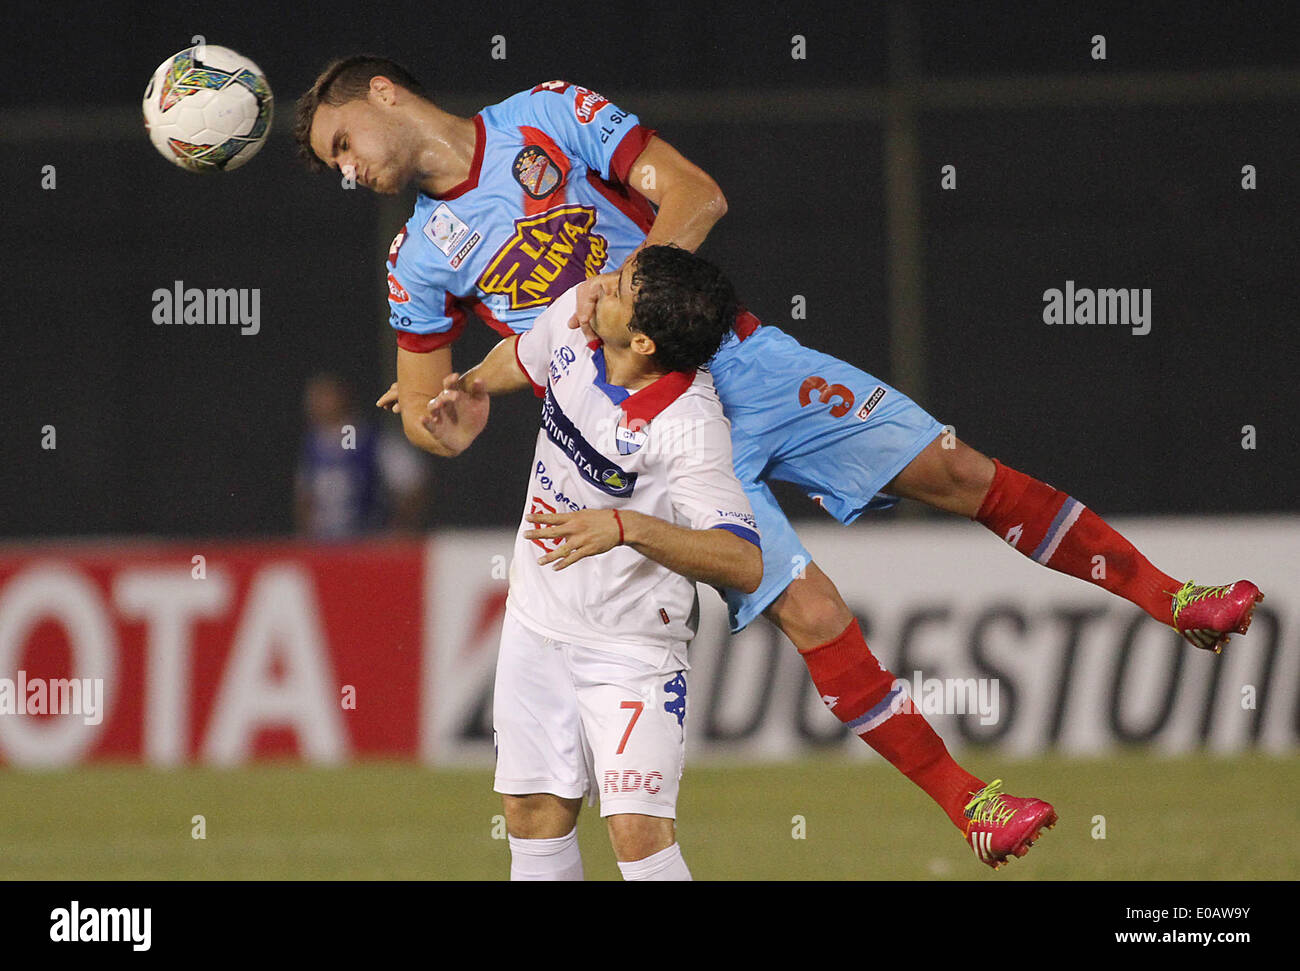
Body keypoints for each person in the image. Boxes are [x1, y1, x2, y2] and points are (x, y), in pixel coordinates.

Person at [294, 57, 1261, 869]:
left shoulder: (546, 115)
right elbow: (431, 416)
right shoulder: (417, 256)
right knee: (810, 608)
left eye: (339, 144)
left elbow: (695, 193)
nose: (347, 171)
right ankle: (973, 803)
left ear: (381, 92)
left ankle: (1175, 598)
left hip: (742, 361)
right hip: (652, 437)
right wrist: (448, 415)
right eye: (330, 165)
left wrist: (635, 298)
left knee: (962, 473)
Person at [421, 245, 762, 880]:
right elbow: (525, 358)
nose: (599, 286)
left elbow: (742, 561)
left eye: (620, 288)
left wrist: (627, 526)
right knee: (530, 814)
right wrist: (467, 389)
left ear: (643, 341)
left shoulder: (690, 425)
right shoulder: (576, 324)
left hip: (631, 646)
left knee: (638, 834)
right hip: (536, 619)